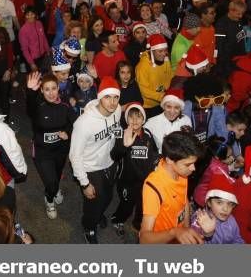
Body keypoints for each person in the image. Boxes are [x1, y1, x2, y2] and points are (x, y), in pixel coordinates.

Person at [69, 76, 122, 243]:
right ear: (100, 98)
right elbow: (74, 155)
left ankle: (97, 216)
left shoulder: (117, 110)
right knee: (93, 202)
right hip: (90, 168)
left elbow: (115, 133)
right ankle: (89, 227)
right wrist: (84, 183)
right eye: (107, 97)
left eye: (116, 97)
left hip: (109, 163)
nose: (112, 102)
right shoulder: (84, 123)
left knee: (107, 198)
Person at [26, 72, 77, 219]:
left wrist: (68, 132)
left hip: (60, 149)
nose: (51, 93)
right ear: (41, 90)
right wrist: (30, 92)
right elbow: (30, 107)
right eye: (46, 89)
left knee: (57, 176)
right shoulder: (38, 105)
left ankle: (54, 188)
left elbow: (75, 124)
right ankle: (49, 199)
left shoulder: (65, 103)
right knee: (51, 182)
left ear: (58, 88)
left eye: (53, 88)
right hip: (42, 151)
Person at [140, 131, 204, 244]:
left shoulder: (182, 171)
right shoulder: (153, 187)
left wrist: (186, 229)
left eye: (194, 163)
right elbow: (144, 239)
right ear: (169, 160)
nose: (193, 168)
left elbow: (184, 200)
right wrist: (174, 232)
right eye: (188, 164)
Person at [110, 103, 158, 235]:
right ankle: (117, 220)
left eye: (138, 117)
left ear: (143, 119)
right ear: (126, 119)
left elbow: (153, 152)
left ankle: (138, 224)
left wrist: (155, 165)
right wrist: (124, 146)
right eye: (131, 117)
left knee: (143, 203)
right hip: (127, 180)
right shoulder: (123, 134)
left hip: (145, 180)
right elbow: (114, 155)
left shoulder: (147, 134)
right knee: (127, 205)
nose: (135, 121)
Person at [191, 173, 244, 244]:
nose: (225, 209)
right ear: (209, 203)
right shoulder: (199, 219)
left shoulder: (231, 220)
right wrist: (208, 234)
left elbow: (237, 239)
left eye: (230, 204)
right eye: (219, 202)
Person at [135, 34, 173, 118]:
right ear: (152, 51)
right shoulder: (142, 66)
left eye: (165, 50)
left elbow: (170, 77)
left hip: (163, 101)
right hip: (149, 106)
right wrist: (162, 96)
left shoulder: (166, 60)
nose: (164, 54)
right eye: (160, 51)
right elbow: (144, 90)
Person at [214, 0, 247, 76]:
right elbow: (220, 47)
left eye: (242, 13)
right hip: (226, 63)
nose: (240, 16)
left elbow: (241, 40)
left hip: (237, 59)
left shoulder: (238, 21)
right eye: (238, 13)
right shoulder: (221, 24)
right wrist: (225, 65)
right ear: (231, 10)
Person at [18, 6, 50, 72]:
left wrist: (48, 50)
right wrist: (31, 63)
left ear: (35, 14)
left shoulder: (39, 24)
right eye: (27, 15)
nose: (30, 17)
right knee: (34, 78)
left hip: (43, 55)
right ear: (25, 16)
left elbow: (44, 38)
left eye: (32, 14)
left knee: (44, 75)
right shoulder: (23, 30)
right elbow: (24, 49)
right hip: (32, 59)